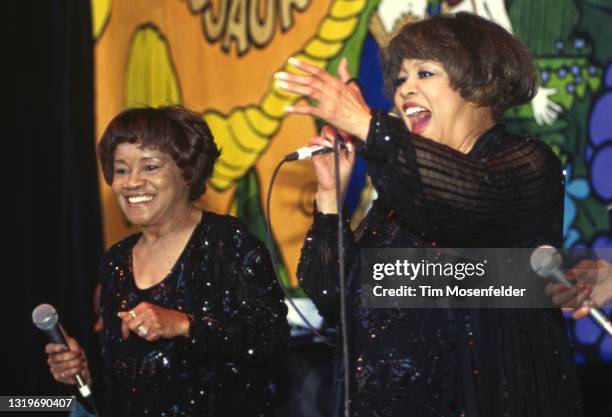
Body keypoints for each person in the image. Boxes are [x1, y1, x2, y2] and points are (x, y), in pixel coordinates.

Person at [276, 12, 582, 417]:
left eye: (424, 73)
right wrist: (331, 197)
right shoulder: (399, 198)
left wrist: (365, 124)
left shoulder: (524, 162)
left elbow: (465, 201)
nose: (405, 90)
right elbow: (336, 298)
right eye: (400, 79)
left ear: (480, 84)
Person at [45, 106, 289, 417]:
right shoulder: (115, 262)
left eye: (149, 167)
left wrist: (185, 325)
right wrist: (84, 376)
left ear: (186, 173)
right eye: (121, 170)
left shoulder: (226, 243)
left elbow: (272, 342)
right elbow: (123, 389)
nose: (132, 182)